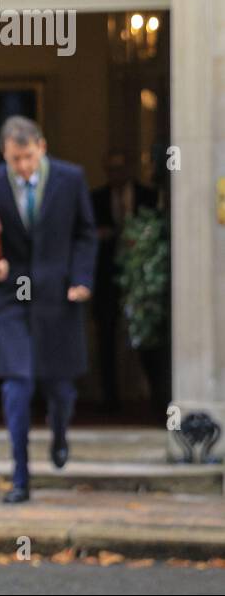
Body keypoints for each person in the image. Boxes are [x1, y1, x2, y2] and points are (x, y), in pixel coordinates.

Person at [0, 116, 97, 503]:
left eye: (28, 157)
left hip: (58, 295)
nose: (22, 167)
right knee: (17, 381)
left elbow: (86, 233)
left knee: (59, 385)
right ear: (4, 153)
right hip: (7, 297)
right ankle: (20, 476)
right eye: (14, 159)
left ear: (42, 147)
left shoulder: (71, 179)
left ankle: (59, 434)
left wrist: (81, 279)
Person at [89, 152, 162, 412]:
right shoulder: (94, 198)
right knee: (105, 337)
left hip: (142, 278)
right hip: (106, 278)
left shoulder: (149, 196)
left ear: (130, 169)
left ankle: (157, 395)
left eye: (120, 168)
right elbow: (83, 235)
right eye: (111, 169)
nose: (116, 174)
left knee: (146, 337)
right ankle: (109, 399)